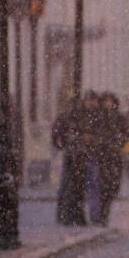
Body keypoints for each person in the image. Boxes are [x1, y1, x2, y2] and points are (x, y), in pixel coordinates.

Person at [88, 91, 129, 226]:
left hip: (115, 157)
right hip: (101, 156)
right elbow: (94, 135)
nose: (107, 104)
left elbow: (126, 135)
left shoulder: (119, 118)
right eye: (105, 101)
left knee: (112, 186)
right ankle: (99, 216)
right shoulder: (97, 117)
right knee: (101, 186)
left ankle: (104, 214)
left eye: (109, 101)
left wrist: (121, 146)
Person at [52, 95, 89, 226]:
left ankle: (68, 215)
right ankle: (70, 215)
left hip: (74, 155)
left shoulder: (68, 118)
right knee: (72, 186)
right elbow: (58, 137)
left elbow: (57, 137)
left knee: (71, 186)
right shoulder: (74, 119)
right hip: (74, 155)